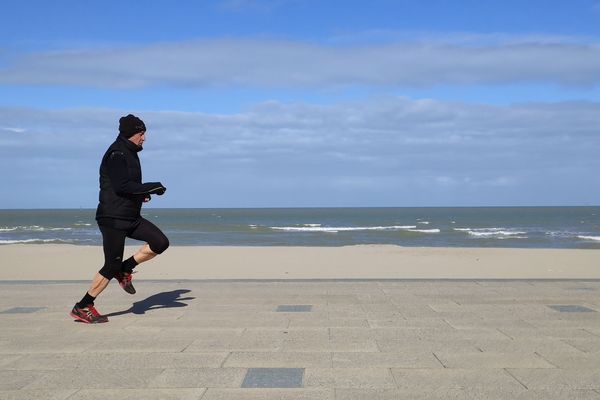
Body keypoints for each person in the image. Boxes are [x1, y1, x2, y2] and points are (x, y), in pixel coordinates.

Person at [70, 114, 169, 323]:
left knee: (160, 242)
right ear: (131, 134)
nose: (144, 138)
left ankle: (125, 269)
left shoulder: (131, 153)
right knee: (110, 266)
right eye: (142, 134)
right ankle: (83, 306)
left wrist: (142, 194)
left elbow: (126, 187)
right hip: (112, 219)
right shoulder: (116, 153)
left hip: (131, 217)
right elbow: (121, 186)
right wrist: (152, 186)